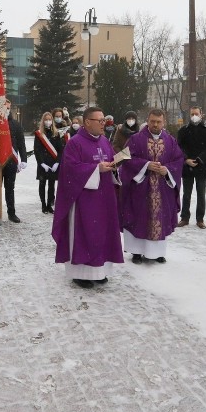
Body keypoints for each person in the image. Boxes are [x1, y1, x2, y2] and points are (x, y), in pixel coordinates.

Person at [52, 106, 124, 288]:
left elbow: (109, 161)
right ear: (87, 122)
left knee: (103, 233)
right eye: (99, 121)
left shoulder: (105, 142)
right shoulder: (75, 143)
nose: (103, 124)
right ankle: (81, 273)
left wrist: (114, 167)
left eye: (104, 121)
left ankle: (99, 271)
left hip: (104, 197)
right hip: (84, 199)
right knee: (85, 233)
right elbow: (69, 170)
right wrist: (95, 169)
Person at [120, 109, 184, 264]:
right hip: (140, 188)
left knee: (160, 219)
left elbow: (179, 159)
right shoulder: (135, 139)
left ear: (164, 122)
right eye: (152, 121)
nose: (155, 124)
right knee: (138, 217)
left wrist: (167, 169)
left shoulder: (170, 141)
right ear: (147, 121)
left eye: (159, 121)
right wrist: (146, 165)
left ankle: (157, 252)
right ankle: (136, 252)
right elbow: (124, 157)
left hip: (162, 189)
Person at [177, 106, 206, 229]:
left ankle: (200, 219)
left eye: (196, 113)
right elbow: (179, 147)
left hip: (202, 166)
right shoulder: (183, 130)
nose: (194, 116)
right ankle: (184, 217)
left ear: (201, 114)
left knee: (201, 194)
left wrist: (200, 158)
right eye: (192, 114)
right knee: (186, 194)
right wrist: (186, 159)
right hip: (187, 166)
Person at [0, 98, 27, 223]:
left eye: (8, 107)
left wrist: (24, 159)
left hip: (11, 160)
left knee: (10, 188)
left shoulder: (16, 124)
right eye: (4, 107)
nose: (7, 109)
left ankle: (11, 213)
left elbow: (21, 142)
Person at [34, 111, 63, 214]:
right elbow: (37, 150)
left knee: (51, 185)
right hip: (43, 163)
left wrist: (57, 162)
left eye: (49, 119)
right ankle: (43, 205)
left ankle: (49, 205)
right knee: (42, 184)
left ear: (52, 121)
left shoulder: (56, 133)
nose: (48, 121)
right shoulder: (39, 134)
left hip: (53, 163)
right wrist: (41, 163)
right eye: (46, 120)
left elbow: (60, 150)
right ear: (43, 121)